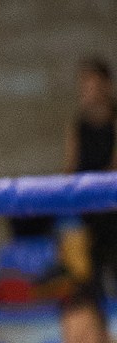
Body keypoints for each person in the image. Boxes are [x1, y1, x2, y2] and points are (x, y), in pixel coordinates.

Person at [67, 55, 115, 300]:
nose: (87, 91)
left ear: (106, 85)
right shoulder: (80, 124)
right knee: (89, 277)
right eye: (83, 86)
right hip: (88, 209)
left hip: (112, 206)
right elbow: (70, 168)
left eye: (92, 85)